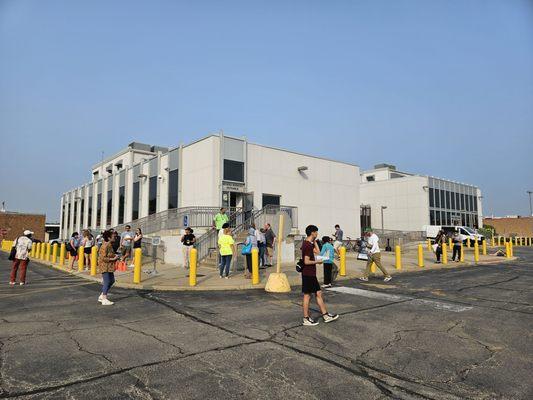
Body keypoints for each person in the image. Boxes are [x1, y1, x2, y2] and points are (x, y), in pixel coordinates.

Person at [301, 225, 339, 326]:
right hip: (308, 274)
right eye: (316, 232)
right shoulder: (307, 245)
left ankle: (325, 315)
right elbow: (306, 261)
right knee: (307, 296)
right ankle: (306, 318)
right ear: (312, 233)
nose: (317, 234)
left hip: (309, 274)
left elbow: (318, 252)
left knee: (318, 293)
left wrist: (315, 242)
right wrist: (317, 262)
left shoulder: (308, 243)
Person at [97, 230, 118, 306]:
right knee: (107, 281)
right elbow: (103, 258)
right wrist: (113, 258)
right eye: (113, 236)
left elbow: (109, 254)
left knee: (112, 280)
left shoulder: (109, 245)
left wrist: (114, 256)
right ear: (109, 238)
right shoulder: (105, 245)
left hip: (109, 266)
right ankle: (104, 299)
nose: (115, 237)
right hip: (105, 266)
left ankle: (102, 295)